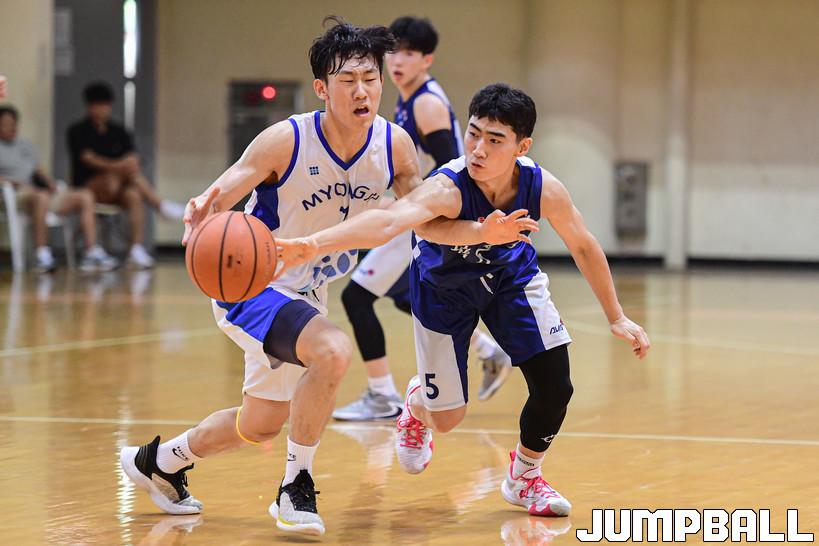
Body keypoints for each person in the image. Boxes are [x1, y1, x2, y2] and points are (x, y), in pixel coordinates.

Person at [118, 19, 527, 536]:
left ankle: (159, 462)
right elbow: (226, 189)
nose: (362, 91)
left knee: (260, 423)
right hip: (255, 285)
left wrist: (480, 232)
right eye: (347, 80)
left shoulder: (394, 146)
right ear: (321, 88)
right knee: (332, 351)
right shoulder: (287, 140)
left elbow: (426, 221)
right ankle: (296, 486)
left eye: (371, 79)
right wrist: (204, 208)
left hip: (309, 292)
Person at [275, 83, 652, 517]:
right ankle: (417, 405)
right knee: (448, 418)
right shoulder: (447, 187)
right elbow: (388, 221)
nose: (478, 149)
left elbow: (583, 244)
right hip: (443, 289)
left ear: (522, 147)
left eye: (495, 140)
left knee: (556, 386)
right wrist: (313, 244)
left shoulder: (542, 187)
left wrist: (616, 316)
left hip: (510, 280)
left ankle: (525, 477)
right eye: (473, 134)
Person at [334, 16, 511, 422]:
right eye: (394, 51)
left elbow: (452, 168)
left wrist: (414, 209)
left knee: (356, 298)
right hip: (415, 211)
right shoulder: (408, 98)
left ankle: (382, 395)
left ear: (426, 60)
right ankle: (488, 349)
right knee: (406, 296)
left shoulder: (426, 104)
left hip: (424, 216)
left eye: (409, 53)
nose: (398, 60)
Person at [67, 82, 185, 268]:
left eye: (105, 105)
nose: (102, 110)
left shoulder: (119, 131)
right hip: (90, 187)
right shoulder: (77, 131)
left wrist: (126, 164)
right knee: (116, 176)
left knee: (134, 195)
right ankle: (160, 205)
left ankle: (136, 248)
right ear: (90, 106)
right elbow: (88, 158)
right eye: (98, 105)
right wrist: (117, 166)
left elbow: (132, 157)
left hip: (118, 189)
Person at [0, 106, 118, 272]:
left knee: (85, 195)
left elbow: (38, 168)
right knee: (41, 197)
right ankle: (41, 254)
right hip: (15, 195)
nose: (11, 128)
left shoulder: (25, 145)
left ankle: (91, 252)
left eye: (13, 124)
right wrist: (14, 182)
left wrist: (50, 183)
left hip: (38, 193)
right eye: (6, 124)